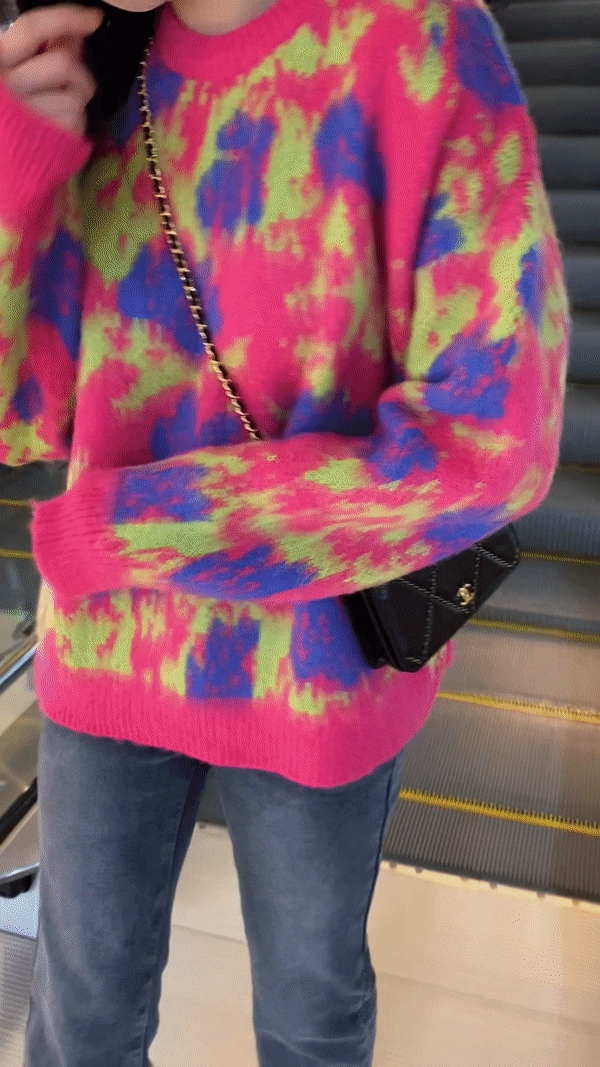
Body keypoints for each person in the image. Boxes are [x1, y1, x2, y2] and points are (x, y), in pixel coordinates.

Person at [0, 0, 568, 1063]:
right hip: (110, 656)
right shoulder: (99, 72)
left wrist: (138, 529)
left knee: (310, 1020)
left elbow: (492, 440)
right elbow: (22, 414)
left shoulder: (420, 41)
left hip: (317, 663)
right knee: (79, 1026)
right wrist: (14, 167)